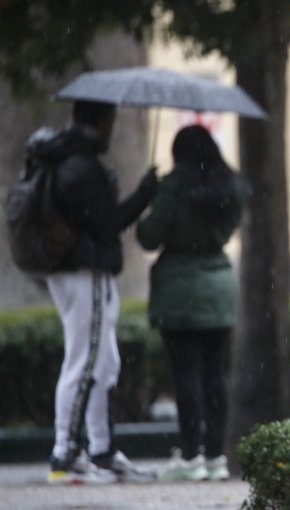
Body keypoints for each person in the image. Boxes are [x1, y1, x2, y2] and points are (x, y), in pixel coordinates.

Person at [46, 99, 159, 484]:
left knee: (104, 362)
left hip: (77, 272)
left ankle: (101, 449)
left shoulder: (70, 160)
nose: (114, 128)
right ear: (102, 121)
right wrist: (144, 194)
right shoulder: (81, 167)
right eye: (112, 119)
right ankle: (66, 452)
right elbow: (108, 224)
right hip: (86, 273)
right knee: (84, 361)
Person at [137, 124, 247, 481]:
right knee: (216, 376)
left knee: (187, 376)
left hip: (180, 291)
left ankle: (190, 455)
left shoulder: (173, 189)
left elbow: (148, 237)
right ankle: (215, 455)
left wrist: (149, 193)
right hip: (219, 290)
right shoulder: (229, 188)